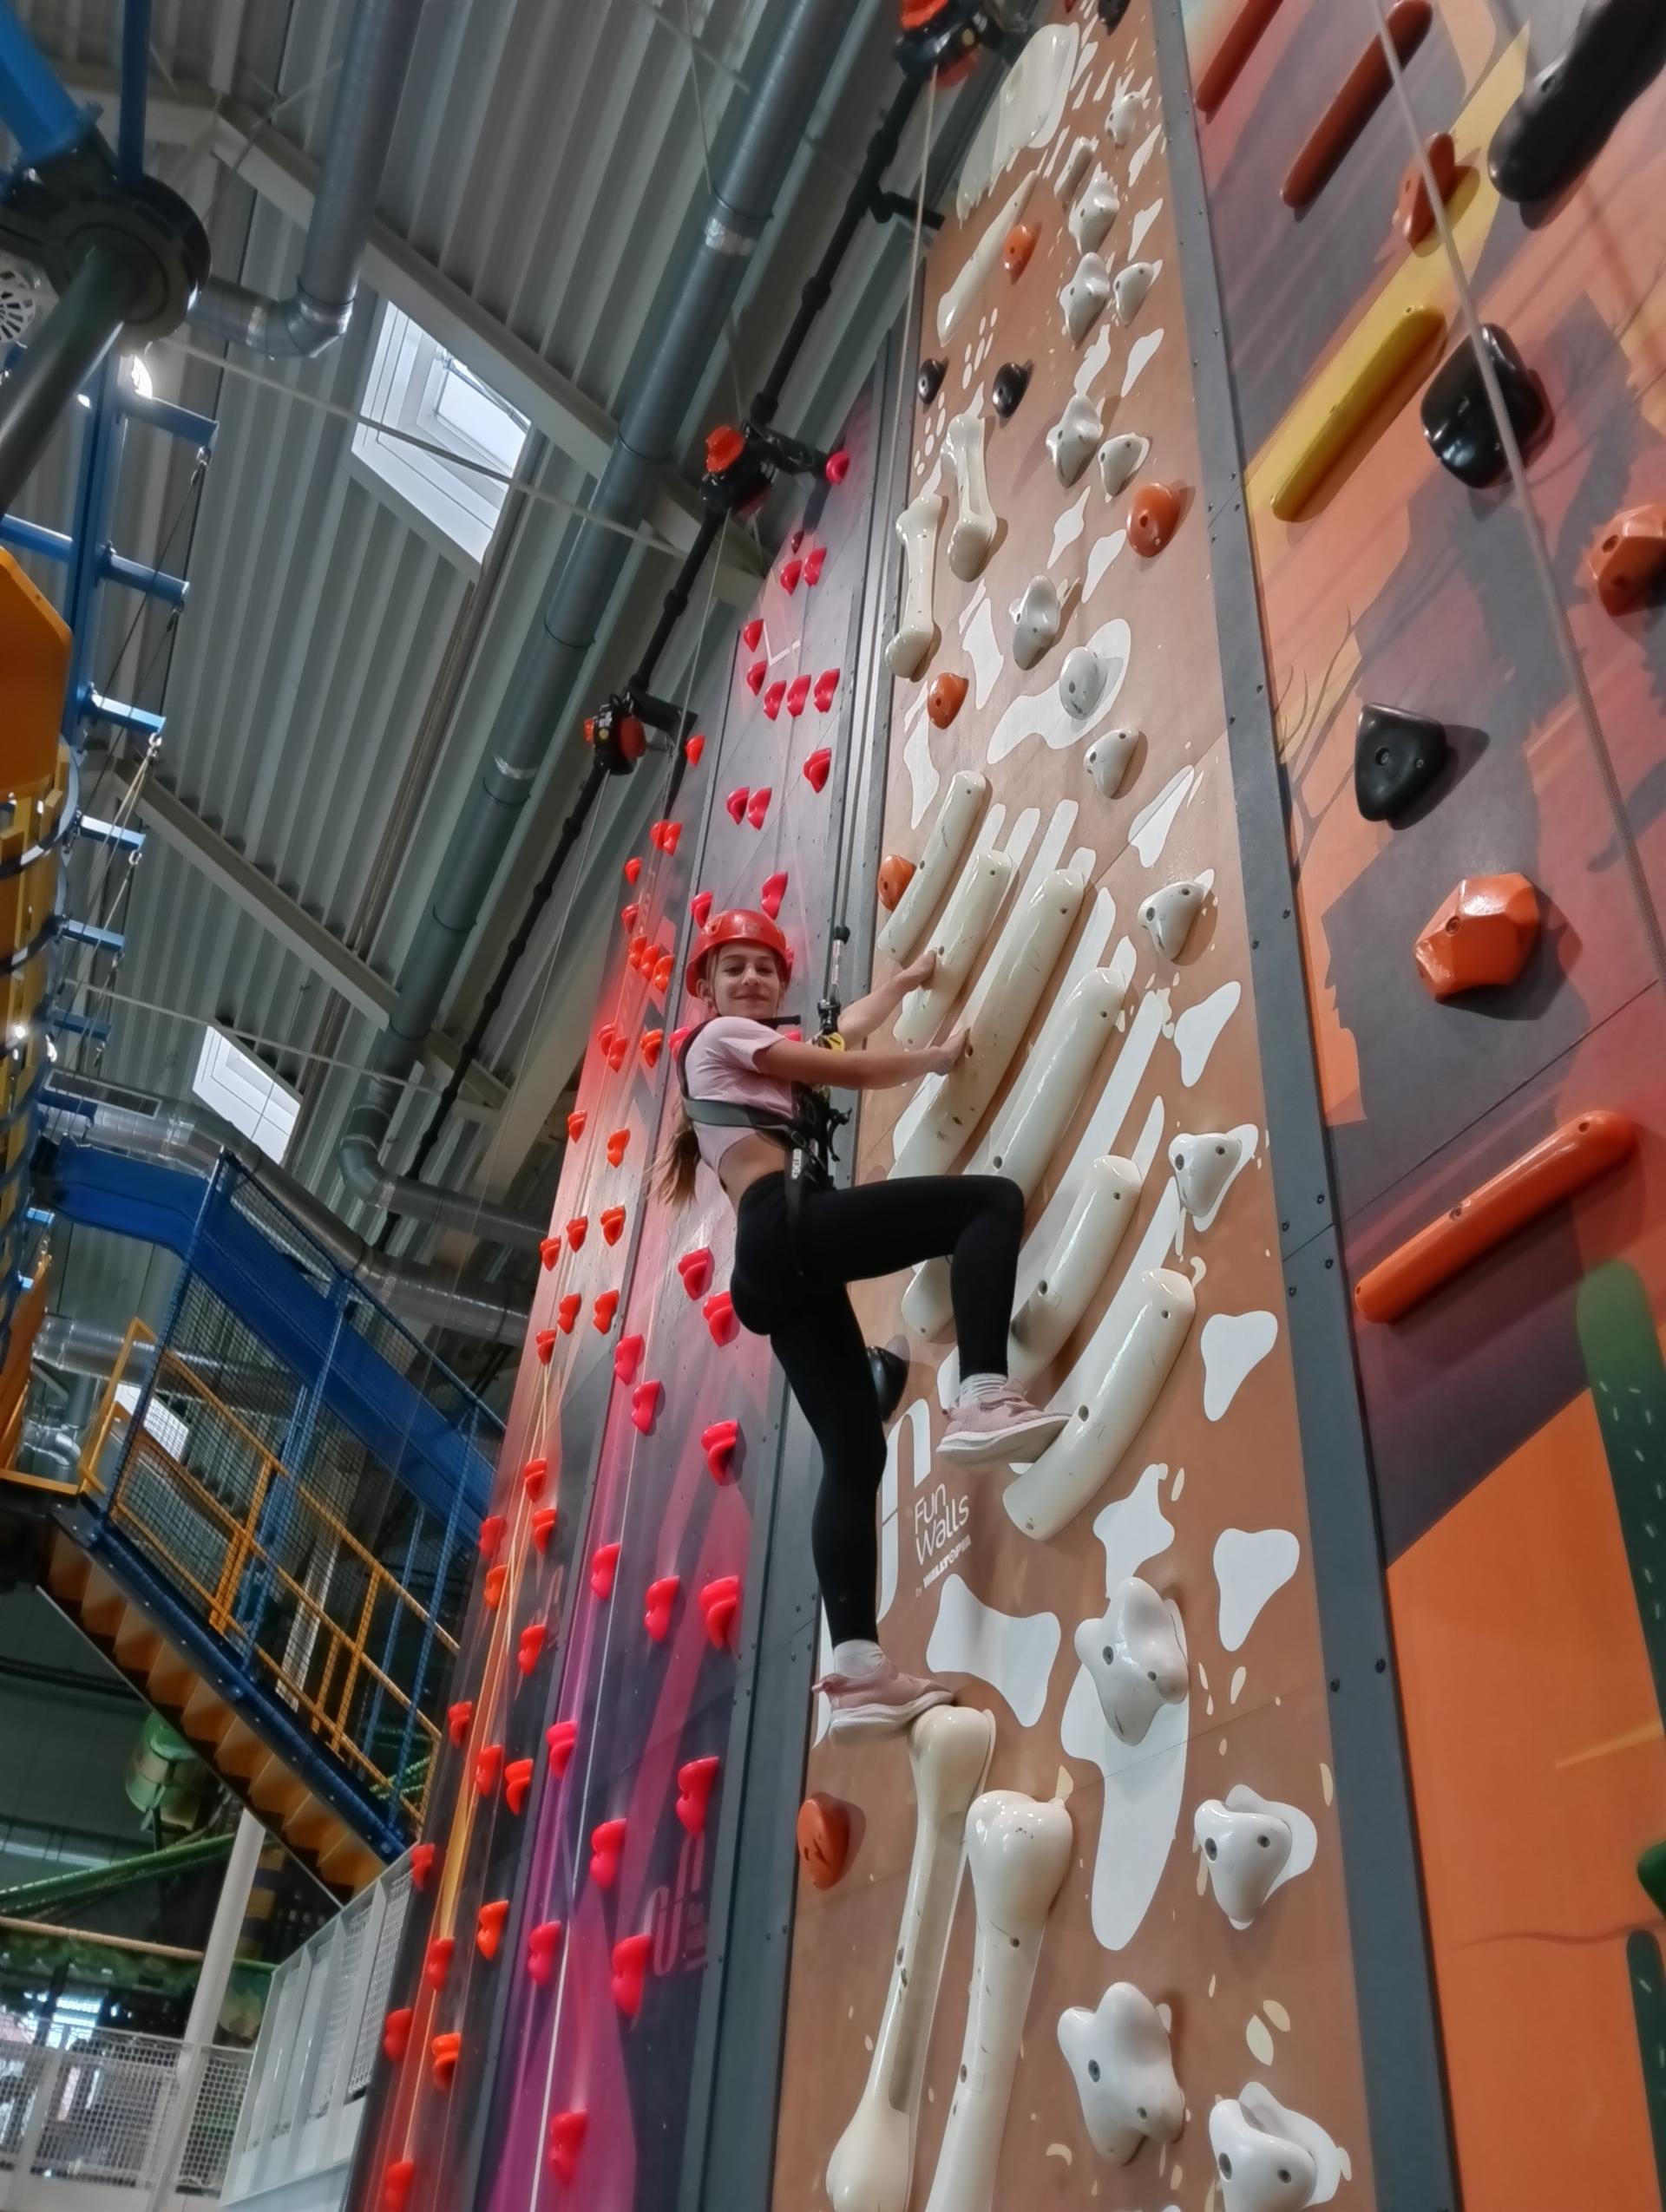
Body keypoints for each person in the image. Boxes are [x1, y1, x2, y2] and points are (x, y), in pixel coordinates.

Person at [659, 906, 1066, 1740]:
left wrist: (905, 984)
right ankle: (982, 1393)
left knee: (855, 1455)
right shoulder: (720, 1041)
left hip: (775, 1267)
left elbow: (842, 1033)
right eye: (734, 968)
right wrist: (934, 1059)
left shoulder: (748, 1062)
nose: (752, 979)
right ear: (706, 988)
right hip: (786, 1228)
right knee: (988, 1205)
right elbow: (844, 1066)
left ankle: (856, 1669)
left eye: (765, 967)